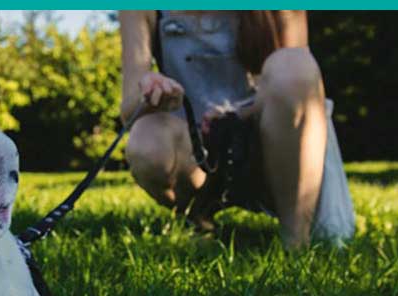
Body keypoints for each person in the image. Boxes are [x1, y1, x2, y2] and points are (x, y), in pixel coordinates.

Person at [119, 10, 355, 247]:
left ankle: (296, 239)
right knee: (146, 141)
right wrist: (151, 91)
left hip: (272, 142)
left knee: (295, 64)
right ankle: (197, 217)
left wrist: (235, 115)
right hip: (196, 148)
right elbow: (129, 107)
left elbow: (301, 81)